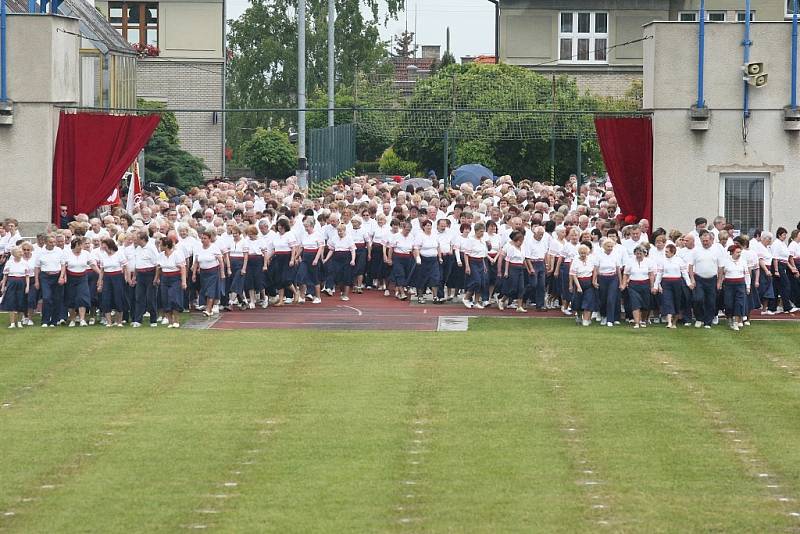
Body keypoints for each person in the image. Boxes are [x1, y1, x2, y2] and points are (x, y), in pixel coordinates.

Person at [689, 231, 724, 329]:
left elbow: (720, 267)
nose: (705, 243)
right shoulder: (696, 250)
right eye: (703, 241)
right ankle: (699, 318)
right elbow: (691, 266)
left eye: (707, 241)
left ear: (711, 240)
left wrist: (719, 282)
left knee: (711, 301)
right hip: (699, 279)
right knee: (698, 299)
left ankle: (708, 322)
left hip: (712, 279)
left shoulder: (717, 251)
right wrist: (692, 279)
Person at [64, 238, 99, 327]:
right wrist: (62, 277)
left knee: (82, 297)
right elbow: (63, 266)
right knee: (71, 298)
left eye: (81, 245)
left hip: (82, 278)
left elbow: (92, 265)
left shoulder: (86, 254)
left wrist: (101, 273)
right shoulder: (67, 254)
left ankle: (82, 319)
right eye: (78, 246)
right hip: (70, 278)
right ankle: (72, 319)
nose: (80, 248)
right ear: (73, 246)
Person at [655, 244, 692, 329]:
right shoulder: (662, 261)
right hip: (666, 282)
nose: (666, 253)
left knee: (677, 302)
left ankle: (674, 322)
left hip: (677, 282)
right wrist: (656, 286)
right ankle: (669, 322)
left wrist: (688, 283)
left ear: (672, 252)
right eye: (665, 251)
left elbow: (684, 273)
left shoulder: (679, 260)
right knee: (667, 301)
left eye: (667, 252)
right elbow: (659, 274)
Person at [34, 234, 66, 327]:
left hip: (57, 275)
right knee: (46, 298)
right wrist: (36, 281)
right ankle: (45, 320)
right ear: (45, 242)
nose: (53, 244)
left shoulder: (59, 251)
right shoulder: (40, 252)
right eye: (50, 242)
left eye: (54, 242)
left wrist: (61, 277)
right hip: (45, 276)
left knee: (57, 298)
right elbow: (37, 267)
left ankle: (54, 321)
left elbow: (63, 265)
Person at [621, 245, 657, 329]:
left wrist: (652, 287)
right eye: (637, 253)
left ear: (644, 254)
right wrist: (623, 284)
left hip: (645, 284)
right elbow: (626, 274)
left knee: (645, 304)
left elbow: (651, 275)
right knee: (635, 303)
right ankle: (636, 323)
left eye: (641, 253)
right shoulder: (630, 262)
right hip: (633, 285)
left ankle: (643, 320)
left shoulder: (649, 262)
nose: (639, 255)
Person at [155, 236, 187, 328]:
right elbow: (158, 268)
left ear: (166, 245)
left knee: (174, 299)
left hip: (175, 278)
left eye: (161, 244)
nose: (159, 246)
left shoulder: (176, 254)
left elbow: (183, 268)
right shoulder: (160, 255)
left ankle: (176, 321)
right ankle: (170, 321)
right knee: (165, 299)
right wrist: (156, 278)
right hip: (164, 278)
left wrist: (183, 281)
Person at [192, 229, 225, 317]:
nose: (203, 240)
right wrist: (194, 274)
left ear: (209, 239)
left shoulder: (214, 247)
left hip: (213, 272)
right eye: (202, 238)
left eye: (205, 238)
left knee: (211, 291)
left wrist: (222, 273)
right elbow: (196, 262)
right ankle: (209, 308)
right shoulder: (198, 248)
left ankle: (208, 309)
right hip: (203, 273)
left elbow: (221, 261)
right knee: (204, 290)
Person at [96, 238, 128, 327]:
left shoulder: (119, 254)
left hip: (117, 277)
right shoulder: (103, 256)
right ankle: (109, 322)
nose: (103, 248)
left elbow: (125, 267)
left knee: (119, 299)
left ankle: (119, 322)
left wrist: (126, 277)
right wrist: (99, 281)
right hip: (107, 278)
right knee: (106, 299)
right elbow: (102, 270)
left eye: (104, 246)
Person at [718, 244, 751, 331]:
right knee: (729, 304)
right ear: (732, 252)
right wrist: (720, 283)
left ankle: (736, 322)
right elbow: (721, 273)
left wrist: (748, 286)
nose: (739, 254)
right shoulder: (726, 261)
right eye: (737, 252)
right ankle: (729, 317)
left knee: (739, 303)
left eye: (740, 252)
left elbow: (747, 274)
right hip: (729, 284)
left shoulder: (743, 261)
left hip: (740, 284)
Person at [130, 231, 159, 327]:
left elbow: (157, 264)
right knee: (139, 297)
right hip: (140, 275)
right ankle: (138, 320)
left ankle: (153, 320)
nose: (135, 240)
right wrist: (134, 276)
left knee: (151, 298)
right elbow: (137, 264)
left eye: (137, 239)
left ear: (142, 239)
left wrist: (156, 277)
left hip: (150, 274)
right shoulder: (138, 248)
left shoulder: (151, 248)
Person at [323, 224, 356, 301]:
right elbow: (331, 250)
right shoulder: (334, 238)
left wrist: (353, 260)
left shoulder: (349, 238)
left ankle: (346, 295)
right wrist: (326, 259)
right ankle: (333, 289)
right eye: (338, 231)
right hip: (337, 257)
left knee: (346, 276)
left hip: (346, 257)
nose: (339, 232)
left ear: (344, 231)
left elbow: (353, 250)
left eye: (341, 231)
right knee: (335, 274)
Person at [296, 216, 324, 304]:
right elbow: (301, 247)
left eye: (307, 226)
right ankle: (302, 296)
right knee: (301, 276)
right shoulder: (304, 235)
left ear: (312, 226)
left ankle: (318, 297)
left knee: (315, 278)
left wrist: (316, 259)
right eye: (305, 227)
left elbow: (320, 248)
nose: (306, 228)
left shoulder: (318, 234)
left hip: (314, 257)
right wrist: (296, 256)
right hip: (305, 257)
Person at [1, 246, 31, 329]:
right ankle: (12, 323)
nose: (21, 253)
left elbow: (27, 276)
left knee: (20, 301)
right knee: (11, 302)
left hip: (21, 282)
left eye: (21, 252)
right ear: (14, 254)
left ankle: (19, 322)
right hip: (11, 283)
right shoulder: (9, 263)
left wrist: (27, 286)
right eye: (19, 252)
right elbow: (5, 276)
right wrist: (3, 286)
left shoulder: (25, 263)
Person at [595, 238, 623, 327]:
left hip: (613, 278)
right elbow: (596, 269)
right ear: (604, 246)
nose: (610, 248)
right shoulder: (599, 255)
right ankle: (603, 316)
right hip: (602, 278)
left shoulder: (616, 255)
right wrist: (594, 280)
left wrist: (621, 282)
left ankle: (610, 319)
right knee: (603, 299)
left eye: (611, 246)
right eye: (608, 246)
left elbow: (618, 269)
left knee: (611, 298)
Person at [499, 230, 528, 313]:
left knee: (521, 287)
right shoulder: (511, 248)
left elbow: (523, 259)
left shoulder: (522, 248)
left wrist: (526, 268)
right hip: (512, 268)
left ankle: (519, 306)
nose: (521, 243)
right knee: (513, 288)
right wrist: (506, 271)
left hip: (520, 268)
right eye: (519, 241)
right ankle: (502, 300)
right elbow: (507, 260)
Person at [413, 219, 441, 304]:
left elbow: (438, 247)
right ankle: (420, 296)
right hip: (424, 260)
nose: (428, 227)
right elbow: (416, 248)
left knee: (435, 278)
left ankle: (435, 297)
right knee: (422, 278)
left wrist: (439, 257)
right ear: (423, 227)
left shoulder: (435, 235)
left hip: (433, 260)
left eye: (430, 225)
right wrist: (418, 258)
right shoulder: (420, 236)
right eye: (427, 225)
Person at [569, 244, 597, 326]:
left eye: (585, 253)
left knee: (589, 301)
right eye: (581, 253)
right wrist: (578, 286)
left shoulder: (591, 260)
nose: (583, 255)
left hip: (589, 282)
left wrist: (594, 281)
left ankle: (586, 319)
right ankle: (578, 315)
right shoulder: (575, 261)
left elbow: (595, 270)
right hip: (579, 281)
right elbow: (573, 274)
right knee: (577, 302)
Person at [387, 221, 416, 301]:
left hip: (408, 257)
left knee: (406, 275)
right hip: (398, 257)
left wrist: (416, 258)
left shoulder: (412, 236)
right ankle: (402, 293)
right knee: (400, 274)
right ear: (402, 228)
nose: (407, 231)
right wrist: (389, 259)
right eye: (406, 229)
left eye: (409, 230)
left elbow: (413, 249)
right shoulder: (396, 236)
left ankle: (399, 292)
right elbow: (391, 248)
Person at [463, 222, 489, 309]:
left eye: (483, 231)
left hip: (481, 262)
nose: (482, 233)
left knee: (481, 283)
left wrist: (484, 265)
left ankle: (476, 301)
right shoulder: (471, 240)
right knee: (476, 281)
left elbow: (483, 254)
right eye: (481, 231)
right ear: (476, 231)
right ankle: (466, 297)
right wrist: (467, 266)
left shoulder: (482, 240)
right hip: (473, 262)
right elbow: (466, 254)